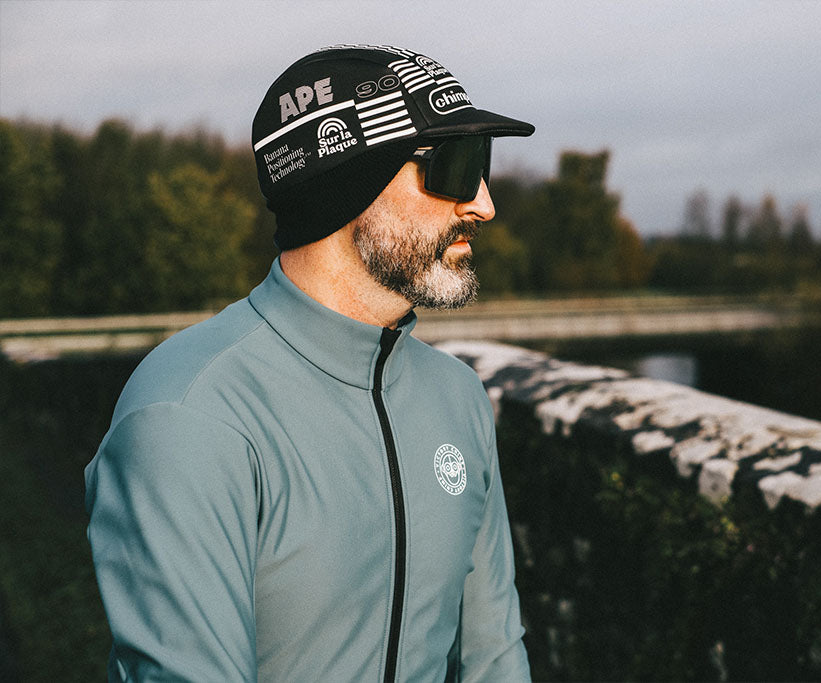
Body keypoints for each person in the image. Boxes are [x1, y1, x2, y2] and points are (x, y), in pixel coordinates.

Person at [85, 44, 534, 682]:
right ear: (346, 183)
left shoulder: (457, 396)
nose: (483, 204)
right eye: (457, 166)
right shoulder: (187, 413)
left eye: (481, 163)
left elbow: (494, 658)